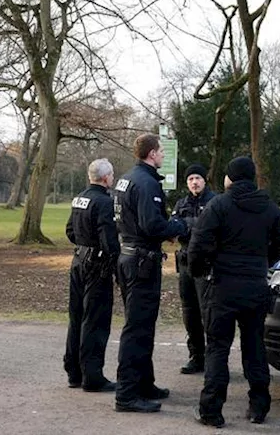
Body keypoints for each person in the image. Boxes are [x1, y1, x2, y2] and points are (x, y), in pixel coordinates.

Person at [188, 156, 280, 428]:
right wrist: (264, 261)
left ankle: (211, 410)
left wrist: (200, 269)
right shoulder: (268, 207)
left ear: (231, 178)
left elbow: (199, 243)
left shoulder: (219, 205)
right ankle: (259, 406)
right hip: (255, 286)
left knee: (218, 348)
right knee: (255, 346)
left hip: (222, 285)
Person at [112, 134, 189, 413]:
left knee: (143, 325)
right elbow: (152, 225)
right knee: (138, 328)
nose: (163, 157)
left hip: (130, 256)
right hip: (141, 261)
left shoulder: (127, 178)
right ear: (152, 153)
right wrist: (178, 227)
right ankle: (127, 395)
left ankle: (144, 383)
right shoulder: (146, 183)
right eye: (161, 152)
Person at [62, 158, 120, 393]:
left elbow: (69, 231)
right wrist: (115, 262)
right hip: (97, 266)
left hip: (78, 262)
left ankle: (74, 371)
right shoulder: (104, 202)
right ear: (106, 178)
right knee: (95, 320)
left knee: (76, 317)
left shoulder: (80, 198)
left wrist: (84, 245)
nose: (113, 178)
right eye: (112, 175)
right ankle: (92, 375)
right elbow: (109, 240)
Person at [171, 162, 216, 375]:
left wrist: (187, 225)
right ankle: (196, 356)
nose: (194, 182)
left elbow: (209, 230)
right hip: (185, 263)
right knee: (189, 312)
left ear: (204, 180)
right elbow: (172, 228)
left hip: (206, 264)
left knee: (208, 311)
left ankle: (213, 359)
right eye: (190, 179)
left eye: (197, 178)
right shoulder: (181, 203)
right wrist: (191, 225)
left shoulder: (214, 202)